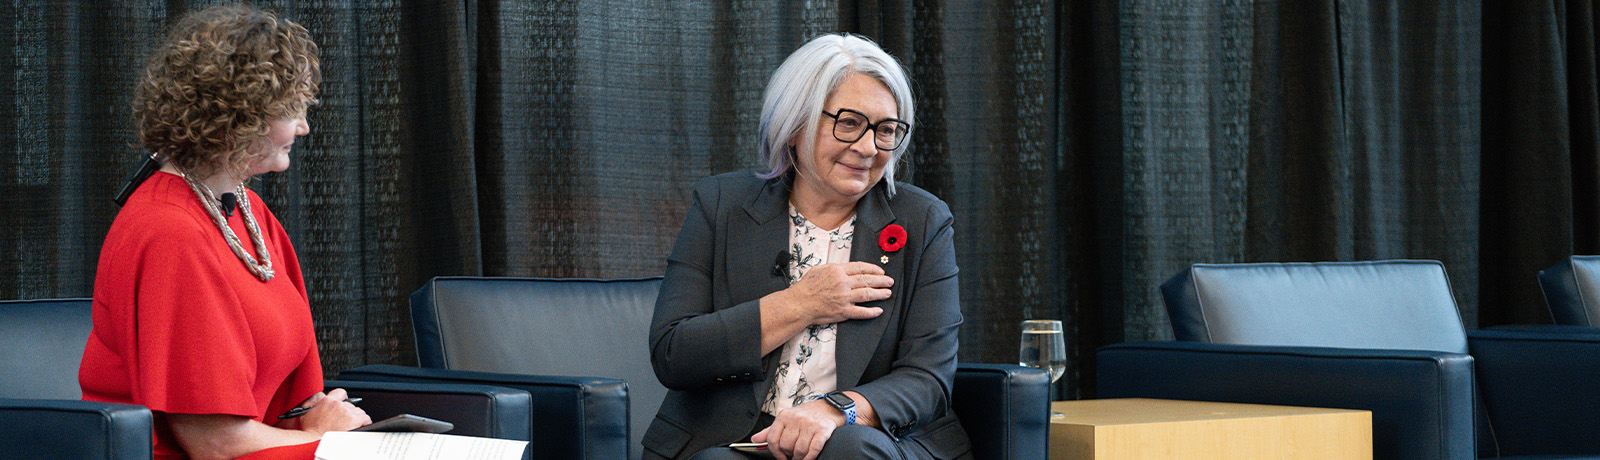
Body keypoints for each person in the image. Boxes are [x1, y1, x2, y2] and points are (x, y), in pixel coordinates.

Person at [646, 34, 970, 460]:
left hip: (863, 440)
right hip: (738, 442)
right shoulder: (721, 205)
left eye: (886, 130)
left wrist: (835, 411)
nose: (869, 148)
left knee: (848, 450)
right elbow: (674, 352)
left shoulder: (924, 219)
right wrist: (801, 303)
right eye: (849, 123)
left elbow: (928, 378)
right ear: (795, 124)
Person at [79, 5, 370, 460]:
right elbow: (215, 446)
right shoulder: (169, 232)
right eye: (291, 109)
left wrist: (320, 425)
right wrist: (325, 438)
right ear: (239, 116)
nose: (304, 126)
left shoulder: (248, 210)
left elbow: (294, 405)